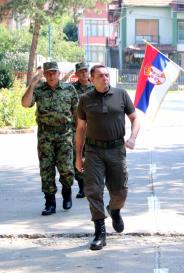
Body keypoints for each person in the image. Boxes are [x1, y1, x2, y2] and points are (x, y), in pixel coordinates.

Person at [75, 64, 140, 250]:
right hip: (93, 151)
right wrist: (78, 157)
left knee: (120, 191)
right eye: (101, 76)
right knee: (93, 190)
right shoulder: (85, 100)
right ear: (92, 79)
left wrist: (133, 138)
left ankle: (115, 209)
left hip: (116, 149)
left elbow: (135, 118)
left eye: (107, 75)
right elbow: (80, 129)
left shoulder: (121, 95)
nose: (105, 78)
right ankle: (99, 231)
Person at [21, 61, 79, 215]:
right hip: (45, 136)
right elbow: (25, 104)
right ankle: (50, 202)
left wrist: (77, 135)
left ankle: (67, 193)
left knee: (66, 169)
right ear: (44, 75)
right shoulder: (39, 89)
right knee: (46, 170)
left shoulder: (69, 89)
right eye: (48, 73)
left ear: (59, 74)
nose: (51, 75)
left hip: (65, 134)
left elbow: (77, 114)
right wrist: (32, 85)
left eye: (54, 72)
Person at [72, 62, 94, 198]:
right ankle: (81, 187)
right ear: (76, 74)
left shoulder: (95, 87)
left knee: (92, 157)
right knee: (78, 156)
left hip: (93, 128)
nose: (84, 74)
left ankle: (92, 185)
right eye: (81, 71)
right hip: (77, 128)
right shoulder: (71, 89)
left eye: (86, 71)